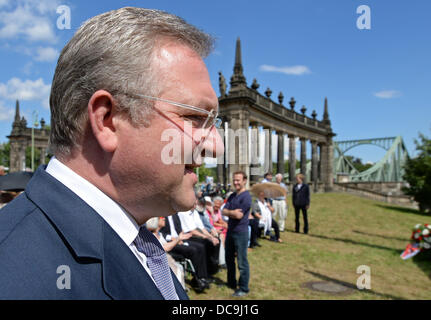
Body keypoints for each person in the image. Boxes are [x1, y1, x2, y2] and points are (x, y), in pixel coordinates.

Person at [0, 7, 223, 299]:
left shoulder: (136, 239)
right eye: (195, 117)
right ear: (107, 120)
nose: (215, 146)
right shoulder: (15, 277)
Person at [222, 171, 252, 297]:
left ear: (244, 180)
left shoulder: (246, 197)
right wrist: (231, 212)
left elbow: (239, 215)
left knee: (241, 262)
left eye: (238, 180)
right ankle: (231, 283)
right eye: (234, 180)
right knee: (229, 259)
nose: (235, 182)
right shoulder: (232, 195)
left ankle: (244, 288)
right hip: (230, 231)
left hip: (241, 233)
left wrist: (230, 212)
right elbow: (223, 211)